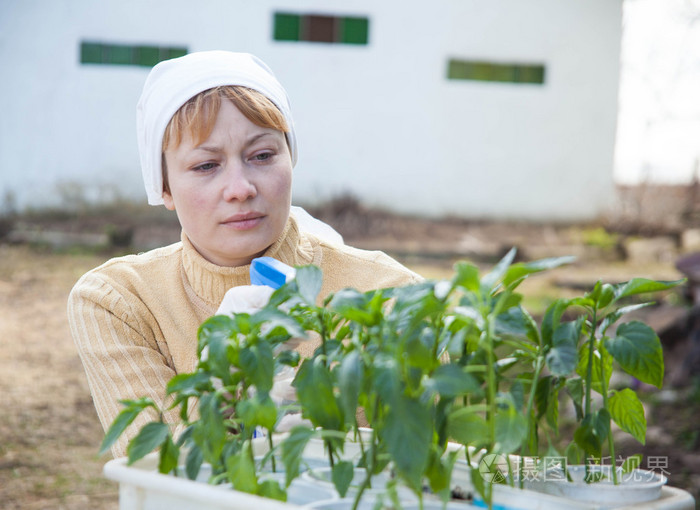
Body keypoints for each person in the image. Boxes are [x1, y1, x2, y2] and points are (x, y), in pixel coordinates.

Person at [67, 50, 421, 457]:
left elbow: (435, 467)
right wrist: (224, 378)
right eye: (206, 165)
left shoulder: (389, 294)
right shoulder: (120, 301)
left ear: (291, 159)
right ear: (163, 186)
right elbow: (159, 473)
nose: (240, 188)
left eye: (262, 155)